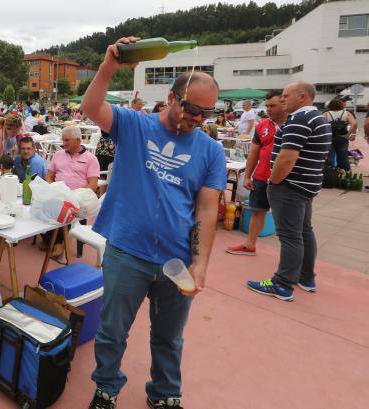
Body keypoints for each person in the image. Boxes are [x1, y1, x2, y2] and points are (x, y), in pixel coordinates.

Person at [83, 36, 226, 409]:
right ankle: (106, 388)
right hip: (128, 250)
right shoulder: (134, 125)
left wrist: (201, 264)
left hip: (176, 259)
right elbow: (91, 106)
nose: (198, 119)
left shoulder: (210, 150)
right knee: (112, 331)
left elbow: (207, 209)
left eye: (206, 114)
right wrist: (110, 64)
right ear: (173, 98)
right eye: (193, 109)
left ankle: (164, 395)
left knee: (169, 336)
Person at [247, 82, 331, 301]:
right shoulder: (318, 118)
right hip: (307, 184)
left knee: (290, 236)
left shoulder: (299, 120)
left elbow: (287, 158)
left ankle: (282, 285)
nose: (282, 99)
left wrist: (273, 182)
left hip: (290, 186)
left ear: (302, 97)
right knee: (304, 231)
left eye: (286, 95)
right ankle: (306, 277)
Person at [227, 91, 287, 256]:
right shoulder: (263, 126)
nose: (268, 109)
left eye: (272, 105)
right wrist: (247, 175)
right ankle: (249, 244)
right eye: (267, 106)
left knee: (288, 219)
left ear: (284, 104)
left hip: (285, 179)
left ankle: (290, 257)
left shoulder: (294, 124)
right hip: (262, 176)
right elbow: (254, 152)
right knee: (257, 210)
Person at [47, 126, 100, 190]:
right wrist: (52, 188)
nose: (63, 143)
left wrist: (74, 195)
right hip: (58, 195)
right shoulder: (58, 154)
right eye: (63, 140)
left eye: (67, 140)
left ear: (78, 140)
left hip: (79, 197)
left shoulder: (91, 159)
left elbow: (93, 185)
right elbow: (49, 176)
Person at [324, 98, 358, 171]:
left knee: (330, 156)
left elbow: (321, 126)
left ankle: (330, 173)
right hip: (343, 137)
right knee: (343, 157)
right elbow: (354, 124)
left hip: (330, 137)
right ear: (341, 105)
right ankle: (345, 173)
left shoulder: (326, 113)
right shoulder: (347, 113)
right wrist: (350, 134)